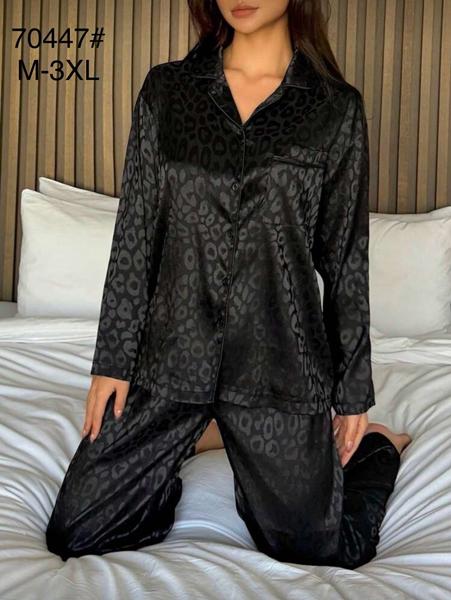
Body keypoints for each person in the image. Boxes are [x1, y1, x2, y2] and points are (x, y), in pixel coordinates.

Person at [46, 0, 412, 568]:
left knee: (317, 549)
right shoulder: (168, 93)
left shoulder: (334, 110)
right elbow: (136, 233)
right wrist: (113, 359)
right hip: (171, 358)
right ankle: (199, 436)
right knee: (77, 531)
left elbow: (345, 259)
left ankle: (378, 447)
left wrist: (351, 392)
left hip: (278, 368)